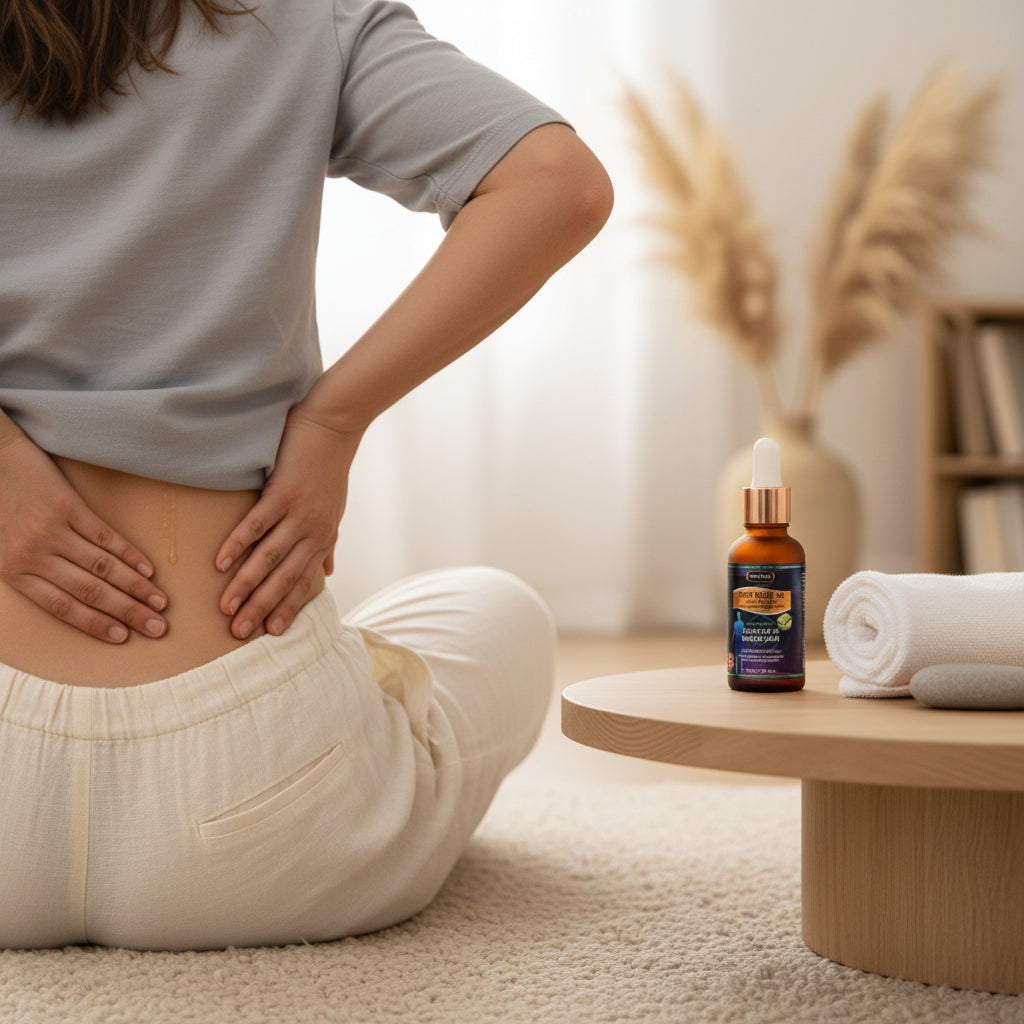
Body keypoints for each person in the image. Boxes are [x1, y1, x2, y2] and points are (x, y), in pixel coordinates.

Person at [0, 0, 612, 949]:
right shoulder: (304, 18)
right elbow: (557, 184)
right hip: (263, 812)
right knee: (495, 610)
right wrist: (332, 421)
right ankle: (353, 680)